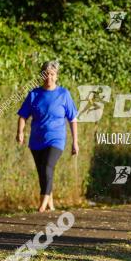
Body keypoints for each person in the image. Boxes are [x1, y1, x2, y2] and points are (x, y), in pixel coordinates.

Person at [16, 61, 79, 213]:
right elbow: (23, 116)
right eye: (46, 74)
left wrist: (75, 142)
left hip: (56, 139)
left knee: (47, 167)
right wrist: (20, 132)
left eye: (52, 74)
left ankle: (42, 204)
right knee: (42, 171)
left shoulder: (64, 94)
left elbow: (73, 118)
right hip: (36, 140)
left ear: (56, 76)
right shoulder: (34, 94)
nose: (48, 77)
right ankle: (50, 202)